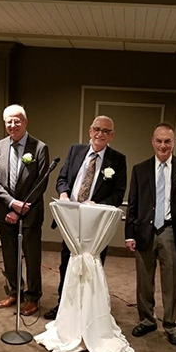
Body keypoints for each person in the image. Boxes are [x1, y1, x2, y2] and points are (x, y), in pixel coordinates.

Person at [44, 115, 127, 320]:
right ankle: (63, 306)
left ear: (112, 136)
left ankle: (88, 310)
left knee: (92, 266)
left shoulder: (117, 160)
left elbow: (118, 194)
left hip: (96, 223)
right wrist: (63, 194)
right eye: (97, 129)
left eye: (106, 131)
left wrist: (97, 205)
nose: (100, 134)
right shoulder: (75, 150)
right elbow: (62, 178)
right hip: (71, 219)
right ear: (90, 130)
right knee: (67, 263)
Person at [125, 122, 176, 344]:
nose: (163, 145)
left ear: (173, 142)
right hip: (145, 231)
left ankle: (172, 324)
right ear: (152, 142)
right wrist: (129, 234)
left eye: (167, 141)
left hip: (171, 230)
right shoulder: (140, 169)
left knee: (171, 280)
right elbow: (133, 204)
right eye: (159, 141)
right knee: (144, 280)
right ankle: (147, 320)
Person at [0, 104, 49, 316]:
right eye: (9, 121)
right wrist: (11, 204)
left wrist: (20, 208)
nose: (12, 125)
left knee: (32, 258)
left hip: (30, 213)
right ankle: (15, 292)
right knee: (9, 255)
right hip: (5, 212)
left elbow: (41, 183)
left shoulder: (40, 148)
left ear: (25, 122)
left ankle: (33, 297)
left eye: (17, 120)